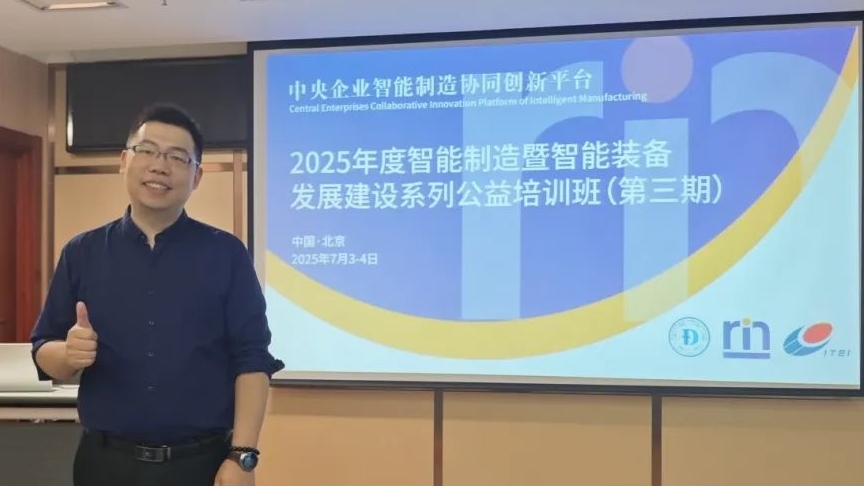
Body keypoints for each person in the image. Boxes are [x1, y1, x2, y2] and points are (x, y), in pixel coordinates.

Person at [30, 103, 284, 486]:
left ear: (197, 176)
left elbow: (252, 358)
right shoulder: (82, 252)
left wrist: (243, 457)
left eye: (177, 157)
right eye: (147, 151)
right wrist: (68, 354)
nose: (160, 166)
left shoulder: (226, 254)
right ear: (124, 161)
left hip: (200, 464)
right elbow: (42, 349)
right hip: (105, 465)